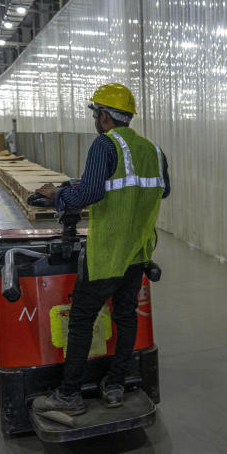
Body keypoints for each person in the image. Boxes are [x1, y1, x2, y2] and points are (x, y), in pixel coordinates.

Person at [32, 83, 170, 417]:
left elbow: (91, 193)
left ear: (104, 116)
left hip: (107, 253)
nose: (96, 119)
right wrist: (74, 186)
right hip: (138, 251)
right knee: (126, 318)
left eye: (96, 113)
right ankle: (115, 386)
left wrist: (58, 197)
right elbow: (160, 192)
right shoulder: (153, 150)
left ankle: (69, 395)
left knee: (81, 320)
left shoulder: (104, 144)